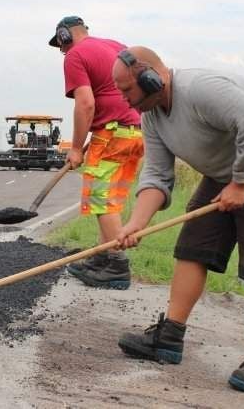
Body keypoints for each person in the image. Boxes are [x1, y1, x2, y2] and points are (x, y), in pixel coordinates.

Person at [111, 46, 244, 392]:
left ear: (152, 78)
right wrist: (136, 223)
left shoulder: (202, 90)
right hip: (226, 169)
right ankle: (169, 337)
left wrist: (242, 183)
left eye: (128, 90)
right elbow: (156, 175)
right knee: (193, 246)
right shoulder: (151, 115)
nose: (125, 99)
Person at [48, 16, 143, 289]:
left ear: (66, 36)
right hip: (136, 131)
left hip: (112, 134)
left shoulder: (75, 55)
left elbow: (86, 103)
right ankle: (100, 258)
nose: (62, 51)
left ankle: (116, 265)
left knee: (100, 198)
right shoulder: (116, 46)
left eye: (61, 45)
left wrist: (76, 148)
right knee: (111, 199)